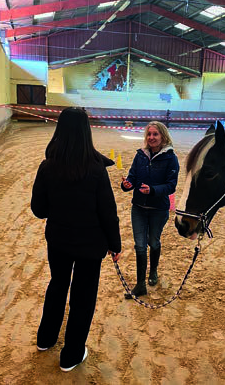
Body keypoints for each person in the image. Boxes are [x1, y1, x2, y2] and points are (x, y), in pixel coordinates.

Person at [31, 107, 121, 372]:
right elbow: (108, 212)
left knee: (58, 285)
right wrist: (115, 244)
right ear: (86, 131)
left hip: (58, 241)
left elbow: (39, 210)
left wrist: (58, 209)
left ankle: (45, 339)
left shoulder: (47, 167)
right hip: (90, 247)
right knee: (83, 296)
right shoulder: (96, 169)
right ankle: (71, 355)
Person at [121, 121, 179, 299]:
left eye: (155, 134)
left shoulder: (171, 158)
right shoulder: (140, 155)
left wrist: (153, 190)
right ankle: (140, 285)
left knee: (153, 242)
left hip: (158, 209)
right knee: (139, 245)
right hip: (138, 207)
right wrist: (126, 185)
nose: (151, 137)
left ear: (163, 136)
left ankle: (153, 271)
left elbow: (171, 186)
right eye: (149, 134)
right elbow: (132, 176)